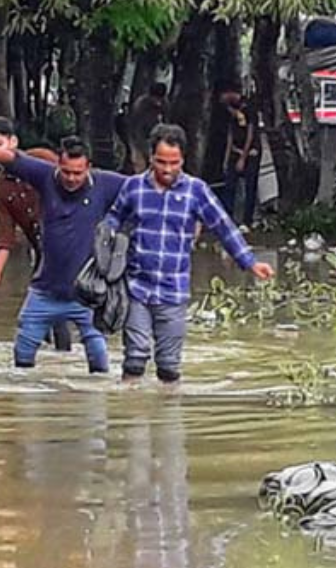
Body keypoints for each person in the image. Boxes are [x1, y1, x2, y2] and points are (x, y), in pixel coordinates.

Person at [105, 124, 275, 385]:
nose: (168, 169)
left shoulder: (196, 191)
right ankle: (129, 418)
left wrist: (250, 262)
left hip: (173, 290)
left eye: (174, 162)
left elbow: (224, 227)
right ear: (151, 157)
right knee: (134, 360)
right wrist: (101, 253)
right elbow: (112, 220)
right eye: (161, 162)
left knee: (169, 368)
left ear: (183, 159)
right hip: (136, 287)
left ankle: (169, 417)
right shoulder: (133, 188)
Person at [0, 135, 128, 374]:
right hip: (44, 291)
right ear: (58, 165)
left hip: (87, 293)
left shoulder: (106, 184)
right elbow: (15, 160)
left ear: (88, 167)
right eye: (66, 172)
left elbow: (145, 189)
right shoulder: (45, 176)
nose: (71, 179)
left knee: (99, 363)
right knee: (22, 358)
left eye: (78, 173)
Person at [0, 117, 72, 351]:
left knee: (55, 314)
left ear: (13, 142)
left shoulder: (40, 159)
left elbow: (73, 181)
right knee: (39, 318)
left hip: (69, 242)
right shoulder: (1, 186)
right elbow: (5, 234)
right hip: (42, 251)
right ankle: (49, 365)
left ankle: (64, 365)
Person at [219, 87, 261, 228]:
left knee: (250, 187)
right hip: (235, 151)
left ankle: (247, 220)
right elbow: (230, 134)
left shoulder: (249, 108)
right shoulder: (230, 110)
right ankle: (228, 218)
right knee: (229, 185)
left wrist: (243, 157)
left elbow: (250, 134)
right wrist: (227, 157)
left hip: (250, 153)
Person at [127, 82, 169, 173]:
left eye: (160, 99)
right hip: (138, 137)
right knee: (140, 165)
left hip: (154, 138)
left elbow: (165, 121)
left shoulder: (164, 104)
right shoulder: (141, 105)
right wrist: (143, 146)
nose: (158, 102)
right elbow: (137, 129)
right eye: (156, 99)